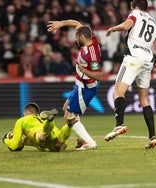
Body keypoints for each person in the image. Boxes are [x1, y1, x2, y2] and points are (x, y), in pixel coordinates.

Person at [104, 0, 156, 149]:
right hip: (148, 61)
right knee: (144, 99)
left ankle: (119, 124)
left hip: (133, 57)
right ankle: (152, 136)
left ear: (133, 5)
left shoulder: (135, 14)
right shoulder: (155, 23)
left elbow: (127, 25)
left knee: (118, 92)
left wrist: (113, 28)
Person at [47, 19, 102, 150]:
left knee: (69, 116)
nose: (75, 39)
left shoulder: (92, 54)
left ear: (82, 37)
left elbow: (98, 75)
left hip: (86, 88)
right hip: (79, 85)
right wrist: (61, 23)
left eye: (77, 37)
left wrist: (84, 70)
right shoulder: (90, 38)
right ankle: (81, 139)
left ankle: (89, 142)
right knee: (66, 108)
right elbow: (77, 23)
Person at [2, 102, 73, 152]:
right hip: (55, 132)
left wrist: (5, 139)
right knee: (59, 142)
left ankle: (50, 123)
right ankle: (68, 125)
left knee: (43, 136)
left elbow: (14, 144)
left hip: (38, 133)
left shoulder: (21, 120)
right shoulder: (41, 117)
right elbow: (24, 142)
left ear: (25, 112)